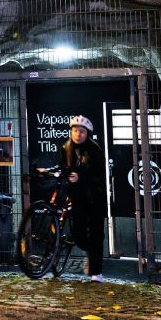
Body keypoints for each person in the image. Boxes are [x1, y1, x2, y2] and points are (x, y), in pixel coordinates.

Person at [61, 114, 106, 281]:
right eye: (75, 131)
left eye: (81, 131)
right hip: (77, 197)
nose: (78, 134)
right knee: (78, 235)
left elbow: (99, 176)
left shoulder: (95, 150)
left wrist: (81, 178)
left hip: (94, 198)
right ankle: (90, 251)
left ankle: (96, 273)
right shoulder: (66, 147)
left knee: (95, 234)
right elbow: (63, 166)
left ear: (87, 134)